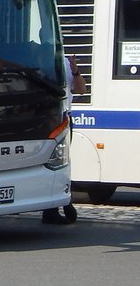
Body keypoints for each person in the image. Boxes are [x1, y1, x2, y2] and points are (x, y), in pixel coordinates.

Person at [43, 54, 85, 224]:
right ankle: (54, 207)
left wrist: (75, 70)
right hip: (49, 115)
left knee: (62, 161)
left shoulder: (67, 63)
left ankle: (58, 205)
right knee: (52, 162)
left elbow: (82, 89)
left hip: (65, 116)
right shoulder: (40, 59)